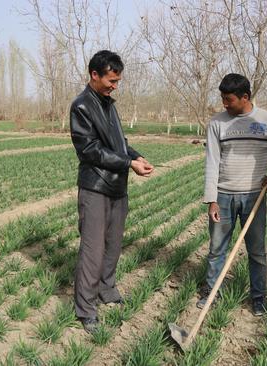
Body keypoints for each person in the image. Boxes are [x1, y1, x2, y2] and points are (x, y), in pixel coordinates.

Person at [70, 50, 154, 333]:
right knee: (93, 249)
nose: (115, 85)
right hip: (95, 187)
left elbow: (120, 143)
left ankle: (107, 290)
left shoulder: (108, 105)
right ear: (95, 75)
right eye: (111, 80)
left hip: (117, 186)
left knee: (113, 244)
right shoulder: (81, 107)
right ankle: (86, 309)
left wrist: (137, 157)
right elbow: (90, 150)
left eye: (118, 81)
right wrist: (128, 163)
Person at [201, 73, 267, 316]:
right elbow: (212, 162)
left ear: (245, 97)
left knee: (256, 251)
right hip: (223, 196)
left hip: (254, 198)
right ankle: (213, 292)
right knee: (217, 248)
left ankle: (258, 297)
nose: (224, 104)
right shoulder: (217, 123)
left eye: (229, 99)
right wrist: (212, 199)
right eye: (223, 99)